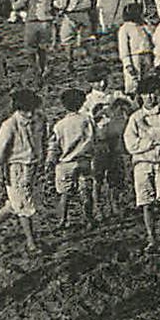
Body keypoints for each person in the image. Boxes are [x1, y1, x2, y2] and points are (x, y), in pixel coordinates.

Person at [0, 89, 47, 254]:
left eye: (33, 109)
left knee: (15, 203)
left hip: (32, 167)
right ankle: (31, 243)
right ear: (18, 109)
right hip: (16, 168)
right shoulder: (10, 125)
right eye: (27, 110)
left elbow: (43, 140)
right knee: (25, 205)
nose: (31, 113)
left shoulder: (40, 119)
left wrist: (43, 159)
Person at [123, 74, 160, 255]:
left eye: (154, 93)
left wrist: (148, 132)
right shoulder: (135, 117)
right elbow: (131, 144)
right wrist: (152, 142)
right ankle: (152, 239)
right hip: (142, 163)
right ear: (141, 96)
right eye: (147, 94)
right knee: (146, 203)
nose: (151, 98)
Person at [48, 87, 98, 230]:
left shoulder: (60, 125)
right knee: (85, 191)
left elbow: (54, 145)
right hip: (84, 160)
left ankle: (62, 220)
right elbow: (94, 137)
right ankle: (89, 218)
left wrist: (50, 161)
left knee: (65, 193)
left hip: (65, 163)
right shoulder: (87, 120)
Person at [11, 0, 58, 85]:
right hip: (46, 23)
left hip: (32, 23)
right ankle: (42, 68)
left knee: (30, 48)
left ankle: (35, 69)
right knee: (42, 48)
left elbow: (16, 6)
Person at [55, 0, 96, 76]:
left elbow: (62, 3)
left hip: (71, 14)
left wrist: (56, 4)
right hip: (84, 13)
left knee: (67, 39)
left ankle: (69, 63)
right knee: (86, 38)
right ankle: (93, 59)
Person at [116, 3, 153, 95]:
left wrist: (146, 24)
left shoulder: (142, 25)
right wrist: (127, 63)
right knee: (134, 80)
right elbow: (123, 48)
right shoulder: (125, 28)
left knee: (146, 79)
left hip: (147, 54)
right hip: (134, 57)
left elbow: (153, 35)